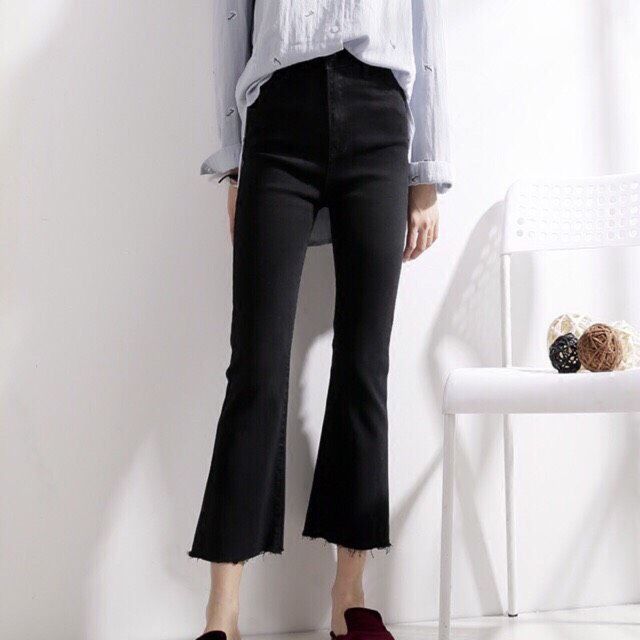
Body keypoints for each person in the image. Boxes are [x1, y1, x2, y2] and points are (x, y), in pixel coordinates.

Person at [189, 2, 452, 639]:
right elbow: (231, 18)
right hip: (278, 120)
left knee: (364, 364)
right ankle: (222, 614)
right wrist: (234, 157)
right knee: (255, 366)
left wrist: (427, 169)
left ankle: (349, 599)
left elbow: (425, 22)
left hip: (380, 119)